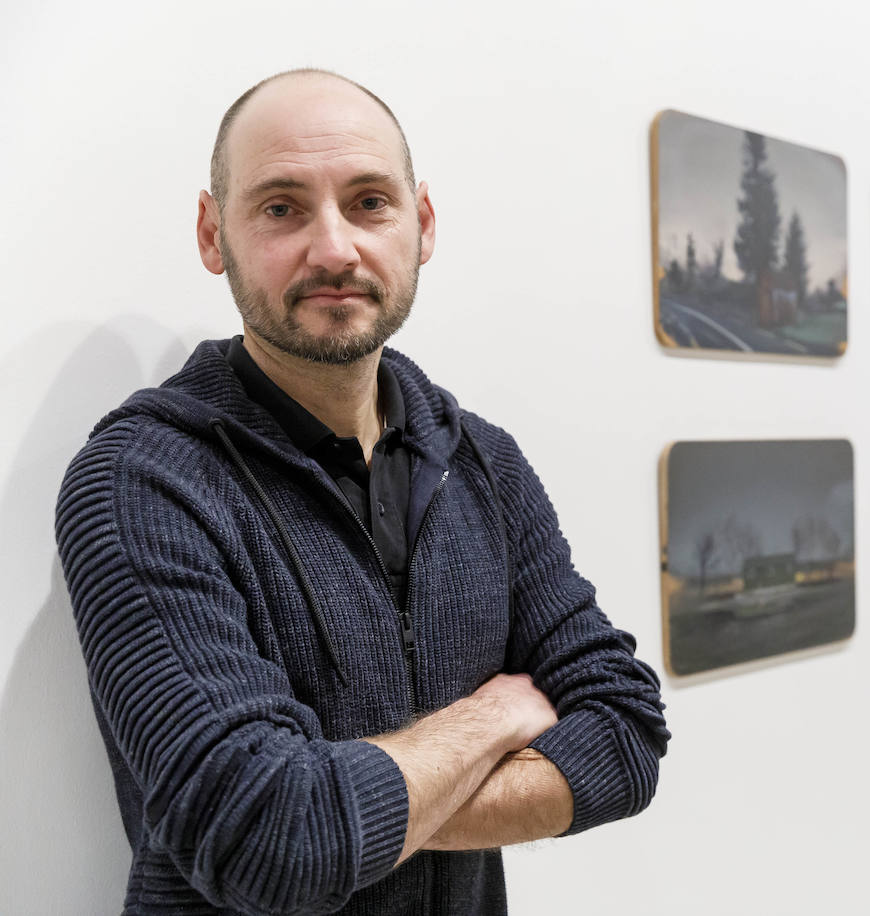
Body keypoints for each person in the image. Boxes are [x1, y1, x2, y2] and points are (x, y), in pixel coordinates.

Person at [54, 68, 669, 915]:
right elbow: (265, 837)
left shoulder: (484, 463)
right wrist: (490, 720)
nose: (335, 248)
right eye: (282, 208)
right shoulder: (142, 480)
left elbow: (627, 735)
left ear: (422, 224)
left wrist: (353, 804)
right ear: (211, 233)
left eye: (370, 201)